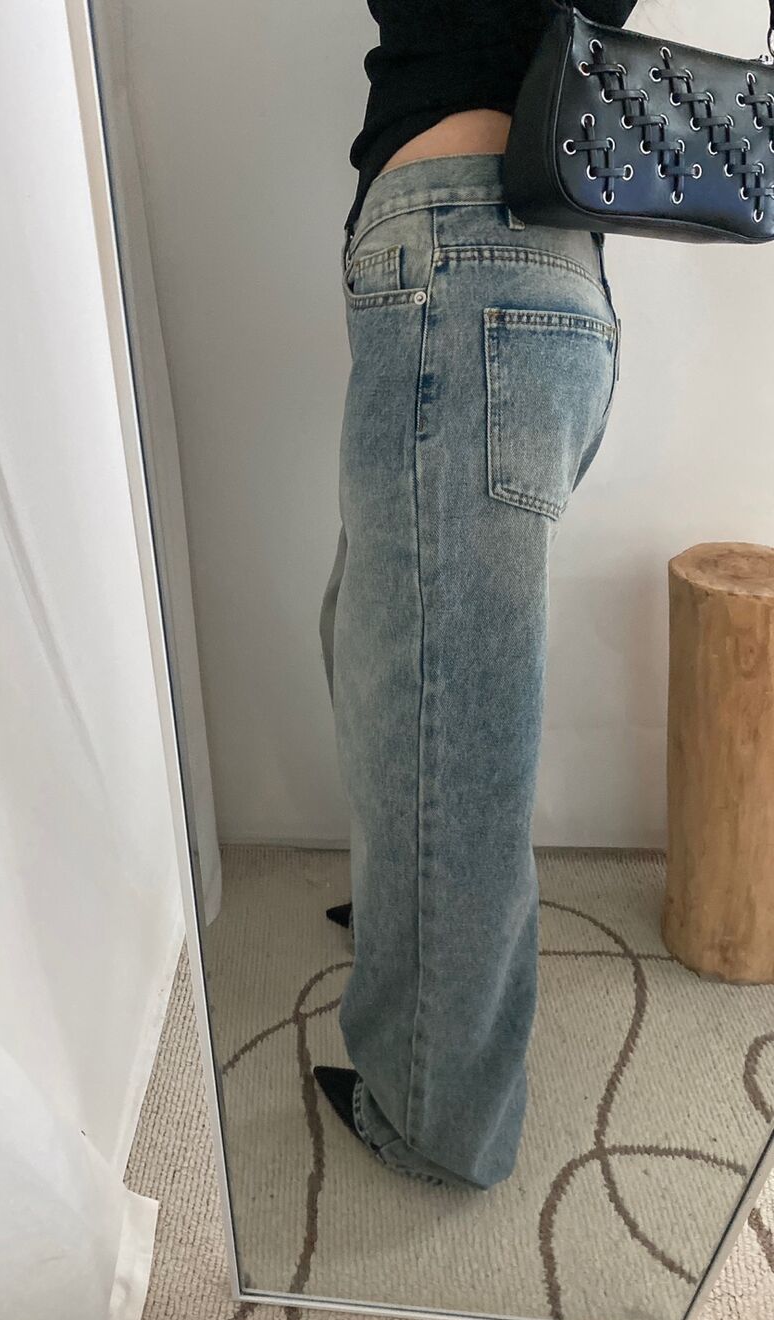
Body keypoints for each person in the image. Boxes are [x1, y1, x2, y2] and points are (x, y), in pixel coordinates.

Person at [314, 0, 637, 1189]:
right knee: (377, 651)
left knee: (445, 728)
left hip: (465, 265)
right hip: (517, 272)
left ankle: (436, 1118)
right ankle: (408, 899)